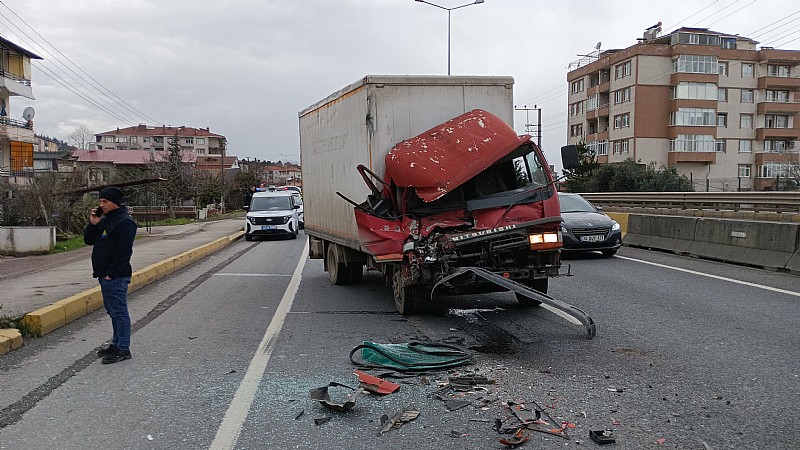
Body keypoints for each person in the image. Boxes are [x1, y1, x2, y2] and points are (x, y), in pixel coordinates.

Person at [84, 187, 137, 364]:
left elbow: (124, 252)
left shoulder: (125, 222)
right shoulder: (104, 220)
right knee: (113, 311)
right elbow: (88, 240)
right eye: (100, 202)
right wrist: (93, 223)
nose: (102, 205)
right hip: (103, 274)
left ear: (115, 202)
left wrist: (111, 274)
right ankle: (116, 344)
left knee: (119, 312)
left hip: (115, 276)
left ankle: (123, 348)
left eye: (105, 202)